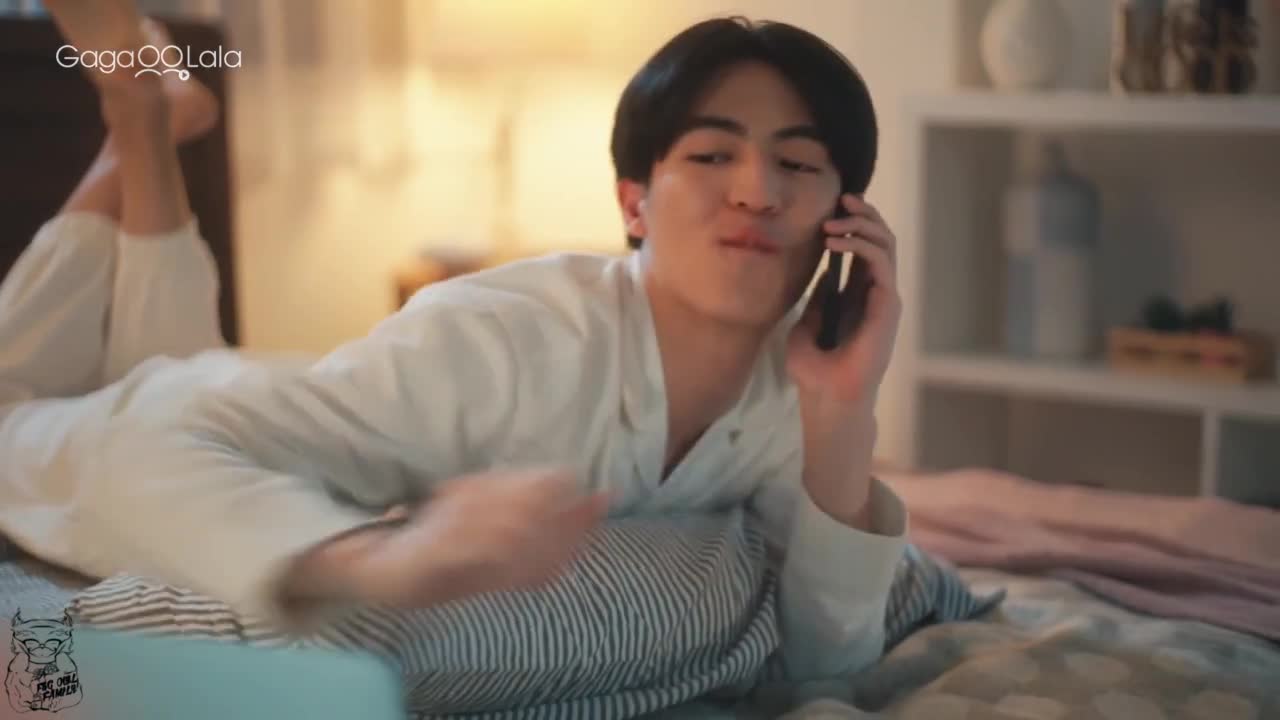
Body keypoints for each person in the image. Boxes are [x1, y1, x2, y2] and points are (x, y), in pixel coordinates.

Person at [1, 0, 906, 683]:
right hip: (89, 438)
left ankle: (147, 123)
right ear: (634, 202)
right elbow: (133, 451)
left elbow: (829, 665)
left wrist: (844, 415)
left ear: (843, 217)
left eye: (797, 164)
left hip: (196, 377)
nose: (756, 192)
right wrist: (383, 558)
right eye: (711, 155)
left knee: (164, 354)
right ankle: (140, 112)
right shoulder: (502, 342)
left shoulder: (794, 389)